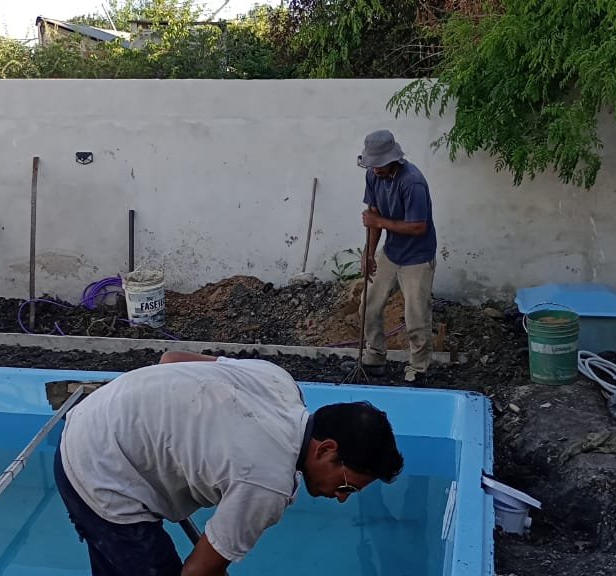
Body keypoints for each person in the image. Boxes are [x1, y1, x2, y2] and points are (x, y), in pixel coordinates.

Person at [54, 351, 405, 576]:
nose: (341, 497)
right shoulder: (268, 483)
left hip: (94, 415)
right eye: (346, 486)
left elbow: (171, 360)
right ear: (325, 449)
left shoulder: (278, 381)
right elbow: (197, 572)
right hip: (99, 469)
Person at [352, 129, 438, 383]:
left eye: (379, 164)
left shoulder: (412, 182)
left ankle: (419, 368)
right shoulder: (373, 176)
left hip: (417, 259)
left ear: (393, 159)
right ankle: (376, 356)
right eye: (372, 164)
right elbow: (373, 217)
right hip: (391, 253)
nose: (375, 168)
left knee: (416, 316)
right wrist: (369, 253)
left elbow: (418, 226)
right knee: (369, 305)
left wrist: (379, 221)